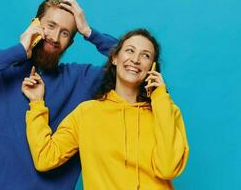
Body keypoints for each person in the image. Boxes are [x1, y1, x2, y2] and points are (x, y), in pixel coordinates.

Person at [0, 0, 118, 190]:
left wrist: (90, 33)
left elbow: (135, 70)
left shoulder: (79, 80)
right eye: (51, 25)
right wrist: (18, 51)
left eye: (65, 33)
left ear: (70, 43)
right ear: (34, 24)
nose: (55, 37)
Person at [23, 28, 189, 190]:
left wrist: (160, 97)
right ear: (114, 58)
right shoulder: (87, 113)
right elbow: (45, 158)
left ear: (152, 68)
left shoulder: (167, 111)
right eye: (130, 51)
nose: (136, 59)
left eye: (145, 55)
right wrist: (37, 104)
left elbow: (167, 168)